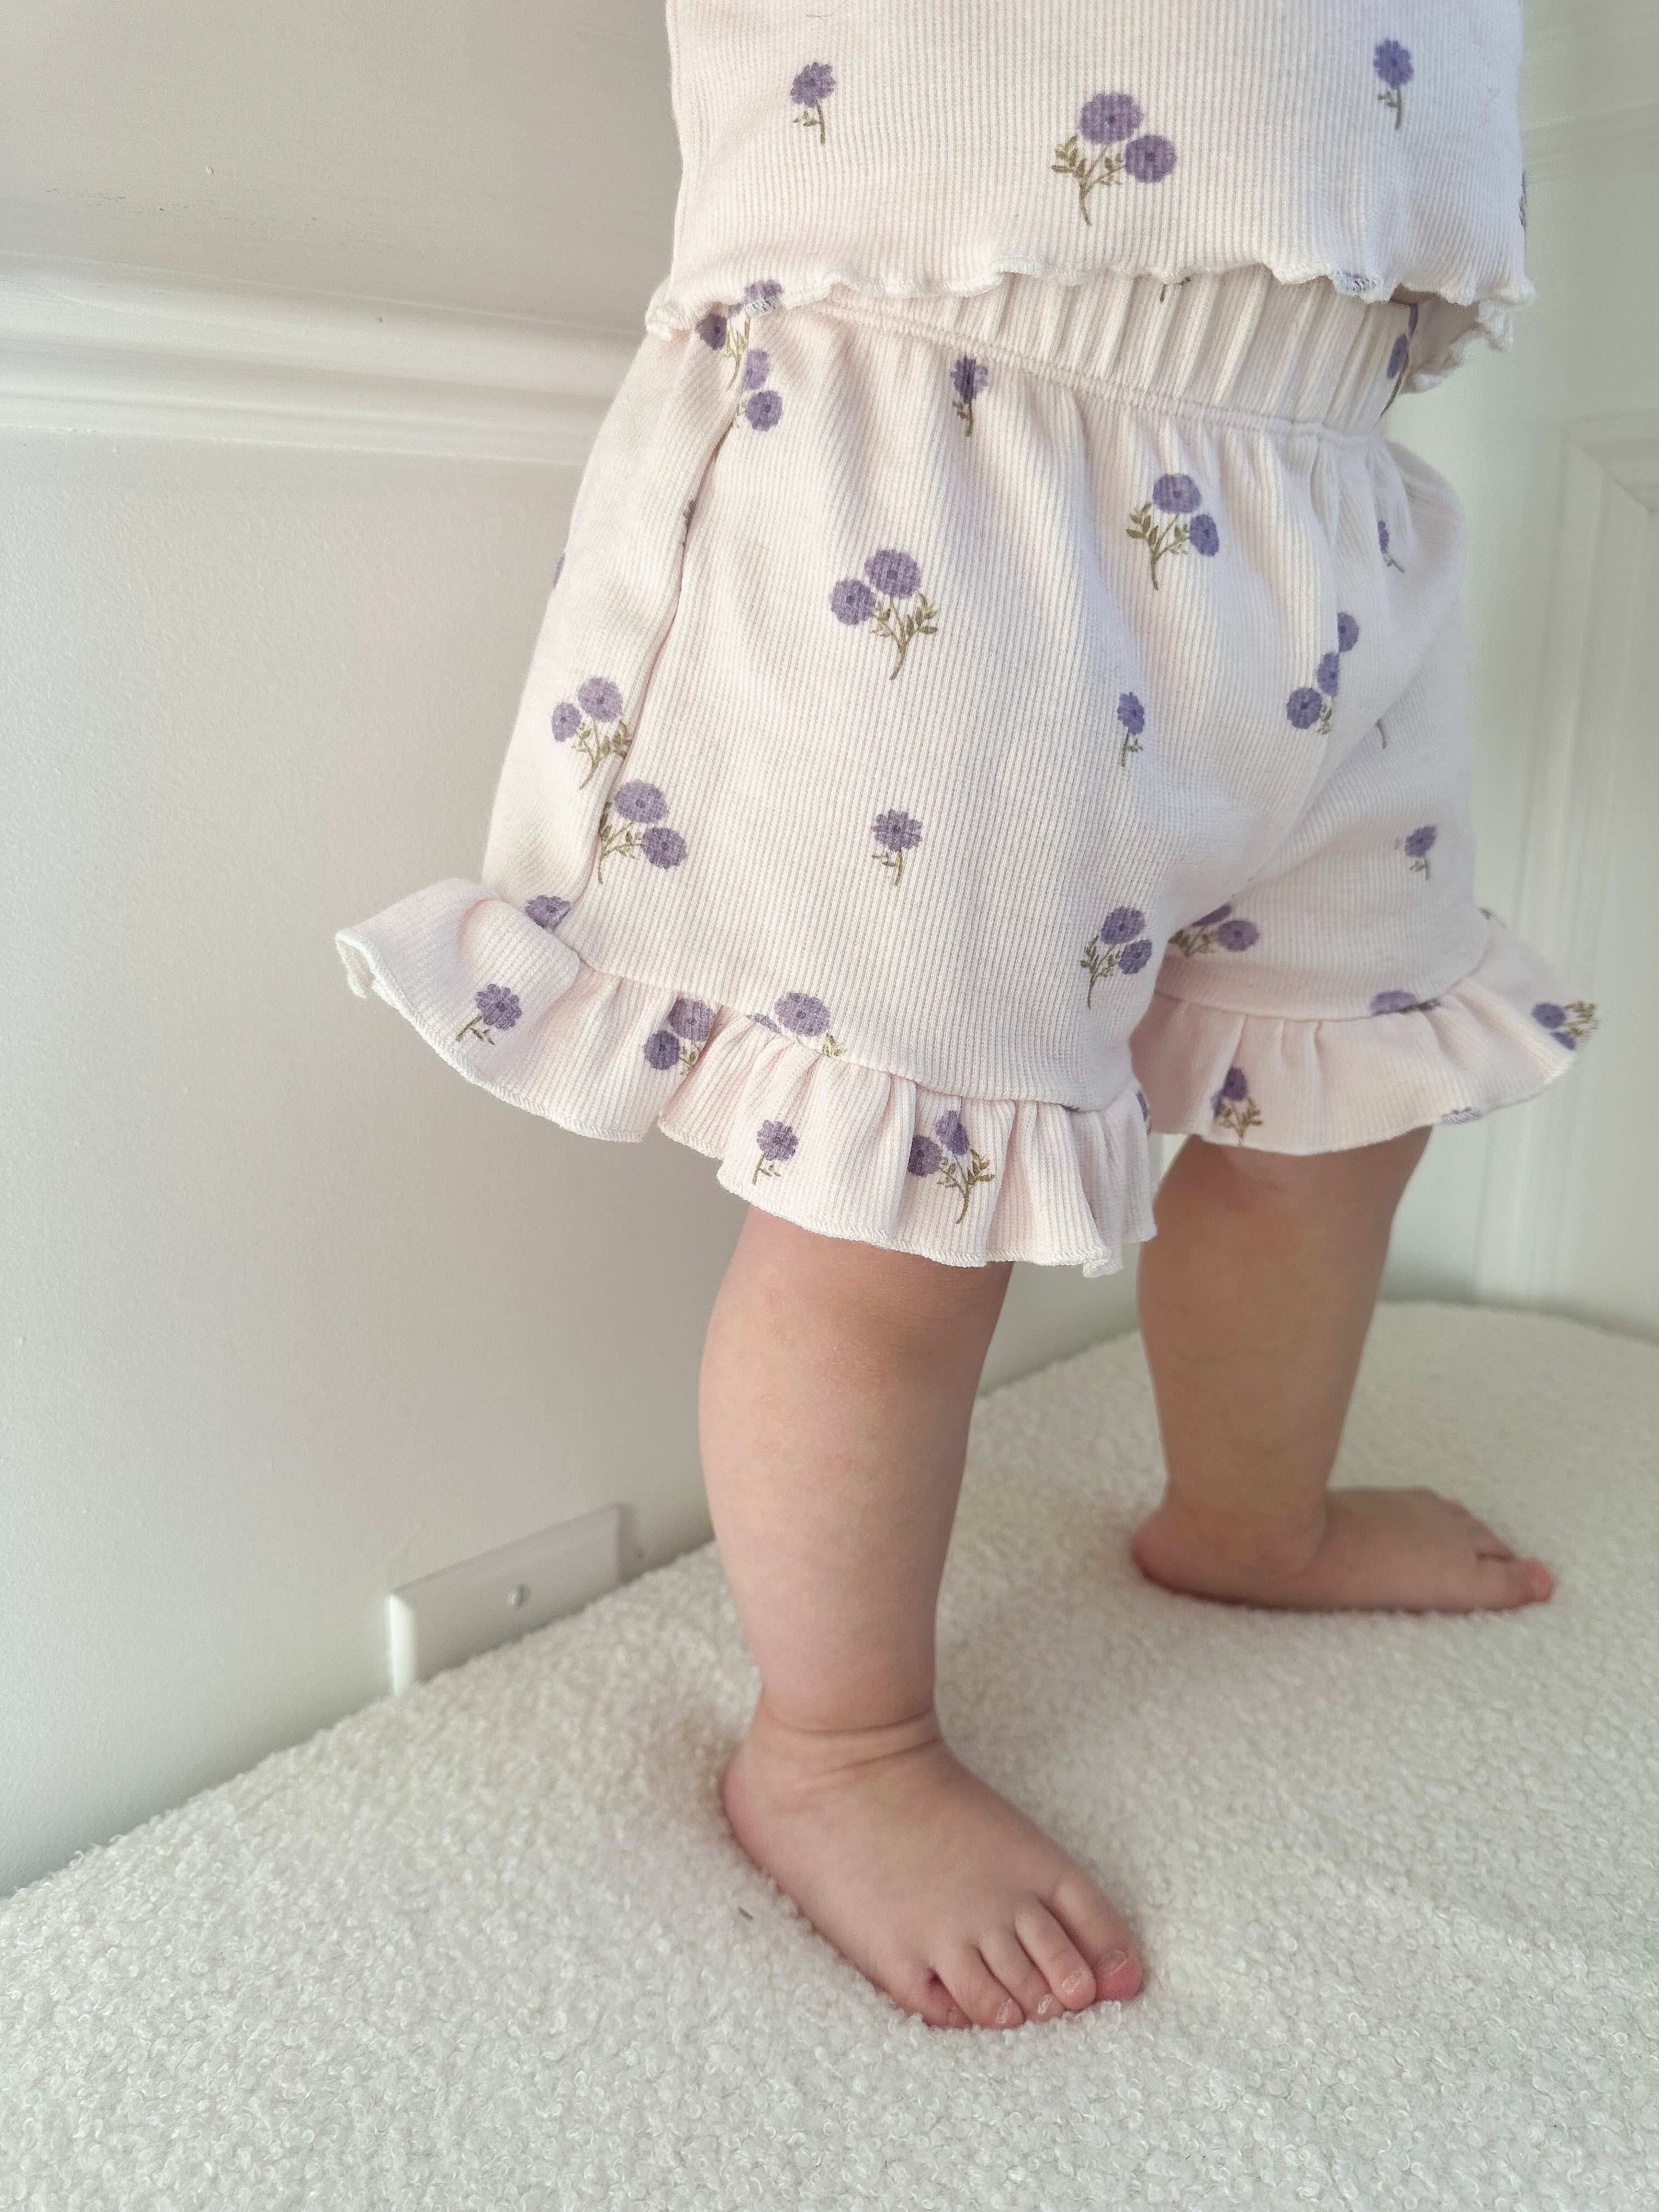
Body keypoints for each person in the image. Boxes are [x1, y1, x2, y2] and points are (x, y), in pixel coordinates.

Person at [336, 3, 1594, 2032]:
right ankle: (836, 1747)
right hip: (939, 432)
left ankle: (1248, 1517)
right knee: (907, 1181)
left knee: (1343, 1087)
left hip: (1337, 480)